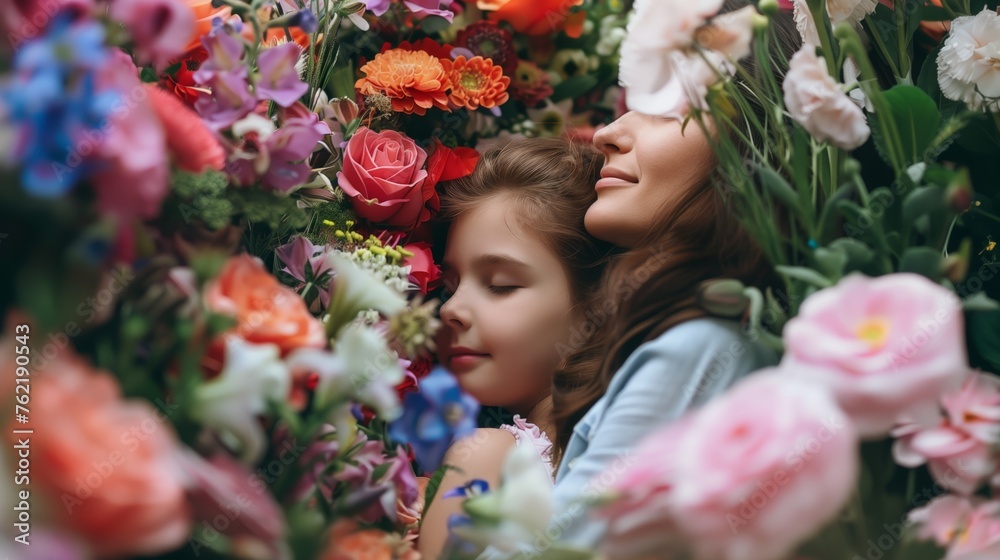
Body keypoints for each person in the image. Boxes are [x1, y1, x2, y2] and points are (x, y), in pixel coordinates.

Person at [539, 0, 804, 550]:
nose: (607, 133)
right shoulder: (685, 332)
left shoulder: (702, 347)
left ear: (755, 145)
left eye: (666, 108)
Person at [418, 137, 614, 559]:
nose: (450, 309)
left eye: (500, 285)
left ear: (598, 302)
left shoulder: (486, 457)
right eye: (448, 287)